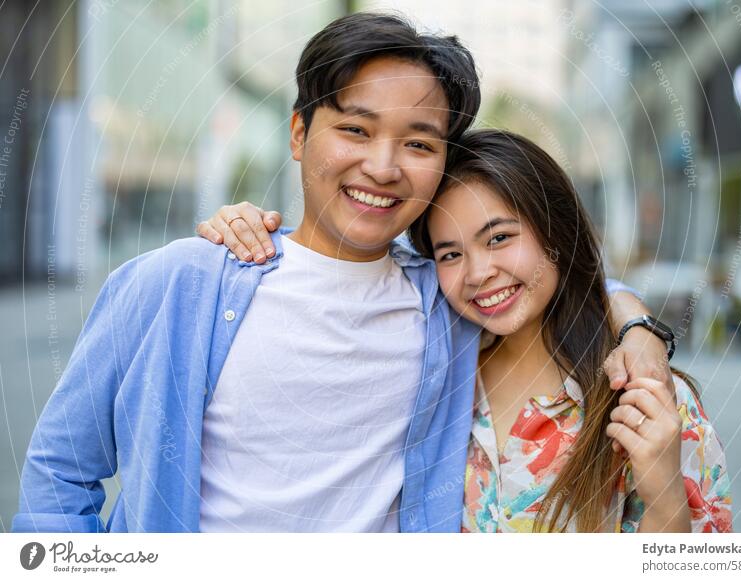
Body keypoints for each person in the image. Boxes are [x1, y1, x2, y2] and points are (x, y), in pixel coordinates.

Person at [15, 13, 666, 533]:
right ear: (299, 134)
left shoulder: (444, 304)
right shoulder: (176, 284)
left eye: (418, 143)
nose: (383, 167)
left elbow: (549, 282)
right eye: (355, 129)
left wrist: (637, 326)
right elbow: (61, 471)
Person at [204, 129, 732, 532]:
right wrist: (252, 234)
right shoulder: (422, 371)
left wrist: (663, 490)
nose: (479, 273)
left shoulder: (649, 397)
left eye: (500, 238)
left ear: (557, 231)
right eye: (450, 253)